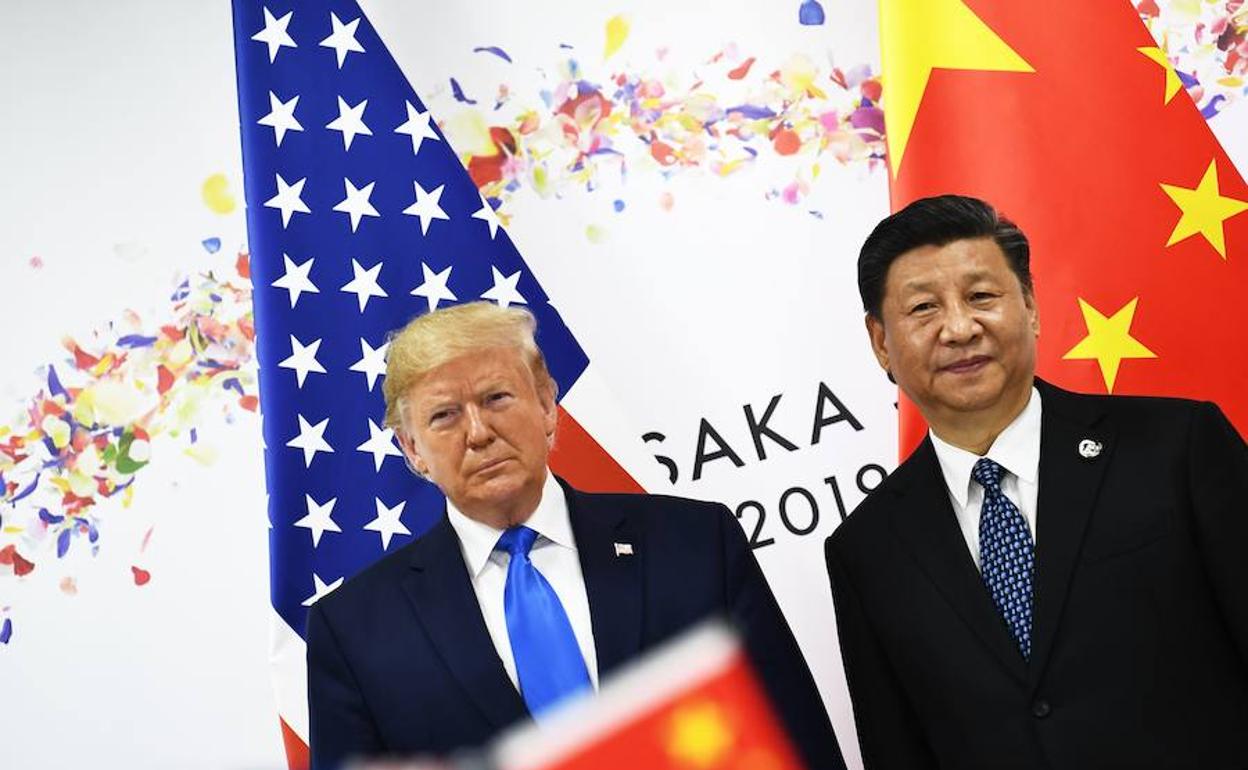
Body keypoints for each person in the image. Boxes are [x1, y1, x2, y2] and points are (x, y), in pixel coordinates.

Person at [307, 301, 843, 770]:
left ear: (546, 404)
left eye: (496, 398)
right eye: (445, 416)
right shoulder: (355, 631)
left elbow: (798, 740)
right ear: (412, 449)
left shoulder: (697, 544)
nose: (478, 432)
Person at [825, 195, 1248, 768]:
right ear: (881, 344)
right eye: (923, 308)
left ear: (1030, 307)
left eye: (981, 296)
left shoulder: (1178, 447)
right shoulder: (866, 550)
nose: (958, 327)